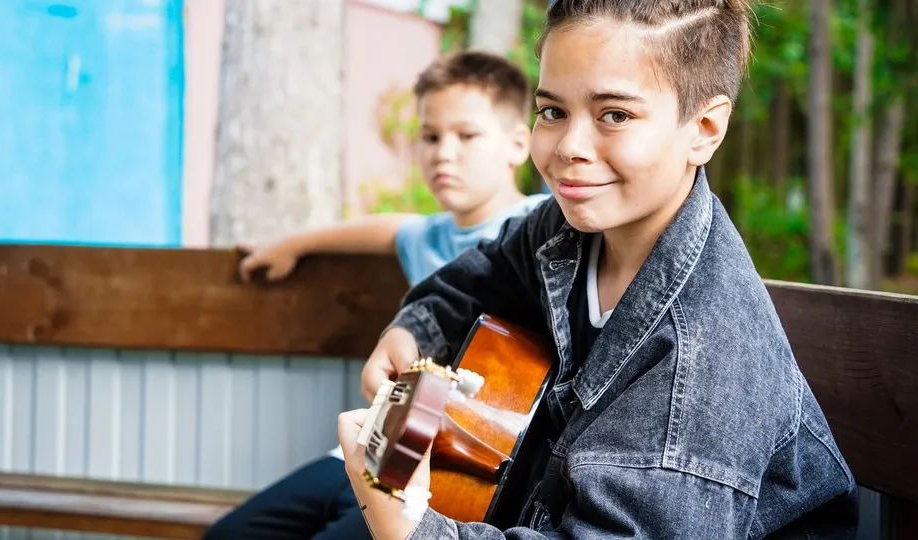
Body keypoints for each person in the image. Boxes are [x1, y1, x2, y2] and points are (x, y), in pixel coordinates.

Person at [337, 1, 860, 538]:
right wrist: (415, 328)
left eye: (615, 115)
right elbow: (481, 275)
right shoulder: (566, 228)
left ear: (704, 127)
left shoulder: (704, 361)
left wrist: (408, 527)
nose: (568, 147)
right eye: (553, 112)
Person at [202, 50, 550, 540]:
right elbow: (388, 229)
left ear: (519, 144)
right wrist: (292, 244)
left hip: (454, 472)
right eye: (430, 136)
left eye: (466, 136)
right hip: (376, 440)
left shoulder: (544, 227)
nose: (443, 152)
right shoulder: (429, 237)